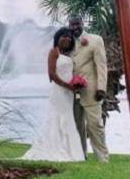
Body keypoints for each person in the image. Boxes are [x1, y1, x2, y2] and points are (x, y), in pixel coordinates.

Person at [22, 27, 84, 162]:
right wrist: (68, 86)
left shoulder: (67, 55)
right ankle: (54, 147)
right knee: (57, 117)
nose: (67, 38)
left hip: (68, 93)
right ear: (57, 38)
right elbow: (51, 75)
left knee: (68, 118)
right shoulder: (53, 52)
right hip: (59, 92)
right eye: (63, 36)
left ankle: (69, 150)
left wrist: (76, 83)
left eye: (69, 37)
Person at [69, 16, 109, 162]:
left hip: (92, 92)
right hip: (72, 93)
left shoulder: (95, 40)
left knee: (95, 126)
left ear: (82, 24)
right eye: (72, 25)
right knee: (77, 126)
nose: (75, 28)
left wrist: (101, 88)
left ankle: (102, 158)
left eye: (77, 24)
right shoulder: (67, 41)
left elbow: (102, 66)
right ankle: (81, 156)